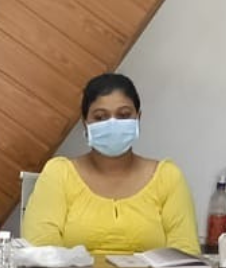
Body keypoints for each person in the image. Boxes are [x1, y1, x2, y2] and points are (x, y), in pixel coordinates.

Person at [21, 73, 201, 255]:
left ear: (138, 119)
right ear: (85, 123)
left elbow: (185, 254)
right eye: (100, 117)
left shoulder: (168, 177)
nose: (112, 124)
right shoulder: (59, 174)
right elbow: (41, 252)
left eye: (124, 115)